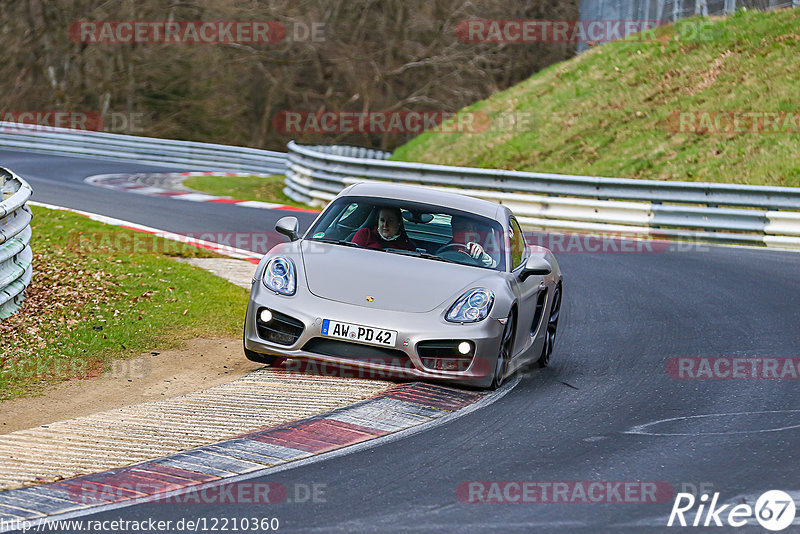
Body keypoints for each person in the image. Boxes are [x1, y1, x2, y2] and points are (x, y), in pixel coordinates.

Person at [352, 206, 416, 251]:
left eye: (390, 221)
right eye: (382, 220)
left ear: (399, 223)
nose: (385, 225)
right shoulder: (365, 234)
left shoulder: (408, 247)